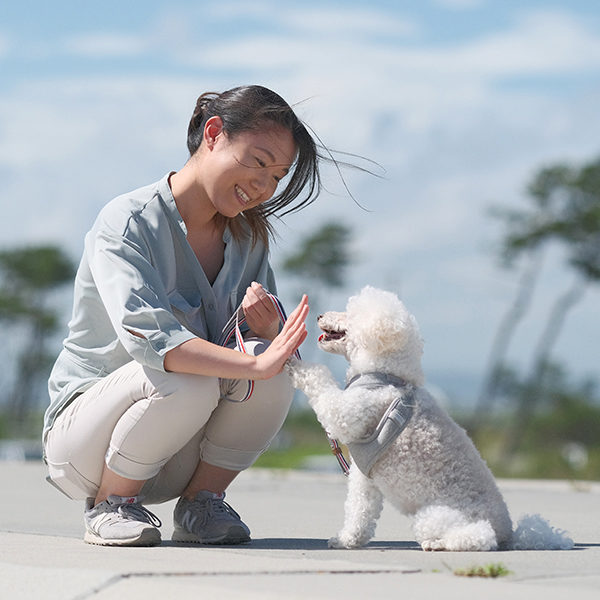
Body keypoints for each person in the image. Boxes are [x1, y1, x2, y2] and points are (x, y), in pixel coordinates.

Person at [43, 85, 322, 547]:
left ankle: (202, 501)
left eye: (277, 176)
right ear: (214, 134)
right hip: (86, 442)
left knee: (271, 370)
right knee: (192, 370)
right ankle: (111, 504)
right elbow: (155, 344)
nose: (264, 187)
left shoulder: (250, 239)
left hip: (176, 445)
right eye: (257, 161)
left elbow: (252, 353)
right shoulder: (127, 222)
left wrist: (269, 334)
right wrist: (254, 362)